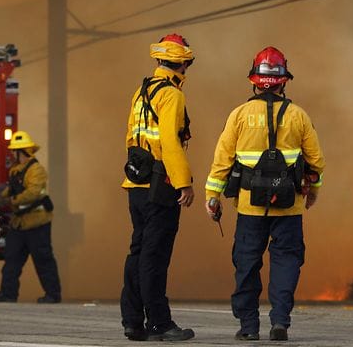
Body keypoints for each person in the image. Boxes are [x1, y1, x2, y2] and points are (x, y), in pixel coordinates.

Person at [204, 47, 326, 342]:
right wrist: (313, 192)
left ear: (254, 82)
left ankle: (248, 327)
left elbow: (222, 159)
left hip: (249, 207)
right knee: (286, 261)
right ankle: (280, 321)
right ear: (284, 81)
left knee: (247, 263)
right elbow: (316, 162)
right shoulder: (298, 116)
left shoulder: (239, 115)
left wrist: (213, 196)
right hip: (290, 206)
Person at [120, 33, 197, 342]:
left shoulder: (141, 92)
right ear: (182, 63)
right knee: (155, 256)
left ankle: (132, 321)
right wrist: (184, 183)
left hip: (136, 183)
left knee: (137, 252)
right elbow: (170, 142)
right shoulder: (172, 95)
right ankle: (160, 323)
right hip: (160, 185)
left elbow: (131, 139)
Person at [0, 130, 62, 304]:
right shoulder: (16, 171)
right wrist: (1, 197)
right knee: (11, 260)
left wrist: (10, 200)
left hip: (37, 223)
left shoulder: (37, 170)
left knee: (43, 260)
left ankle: (53, 295)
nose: (12, 154)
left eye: (15, 151)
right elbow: (12, 188)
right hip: (20, 224)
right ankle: (8, 294)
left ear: (22, 151)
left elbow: (34, 192)